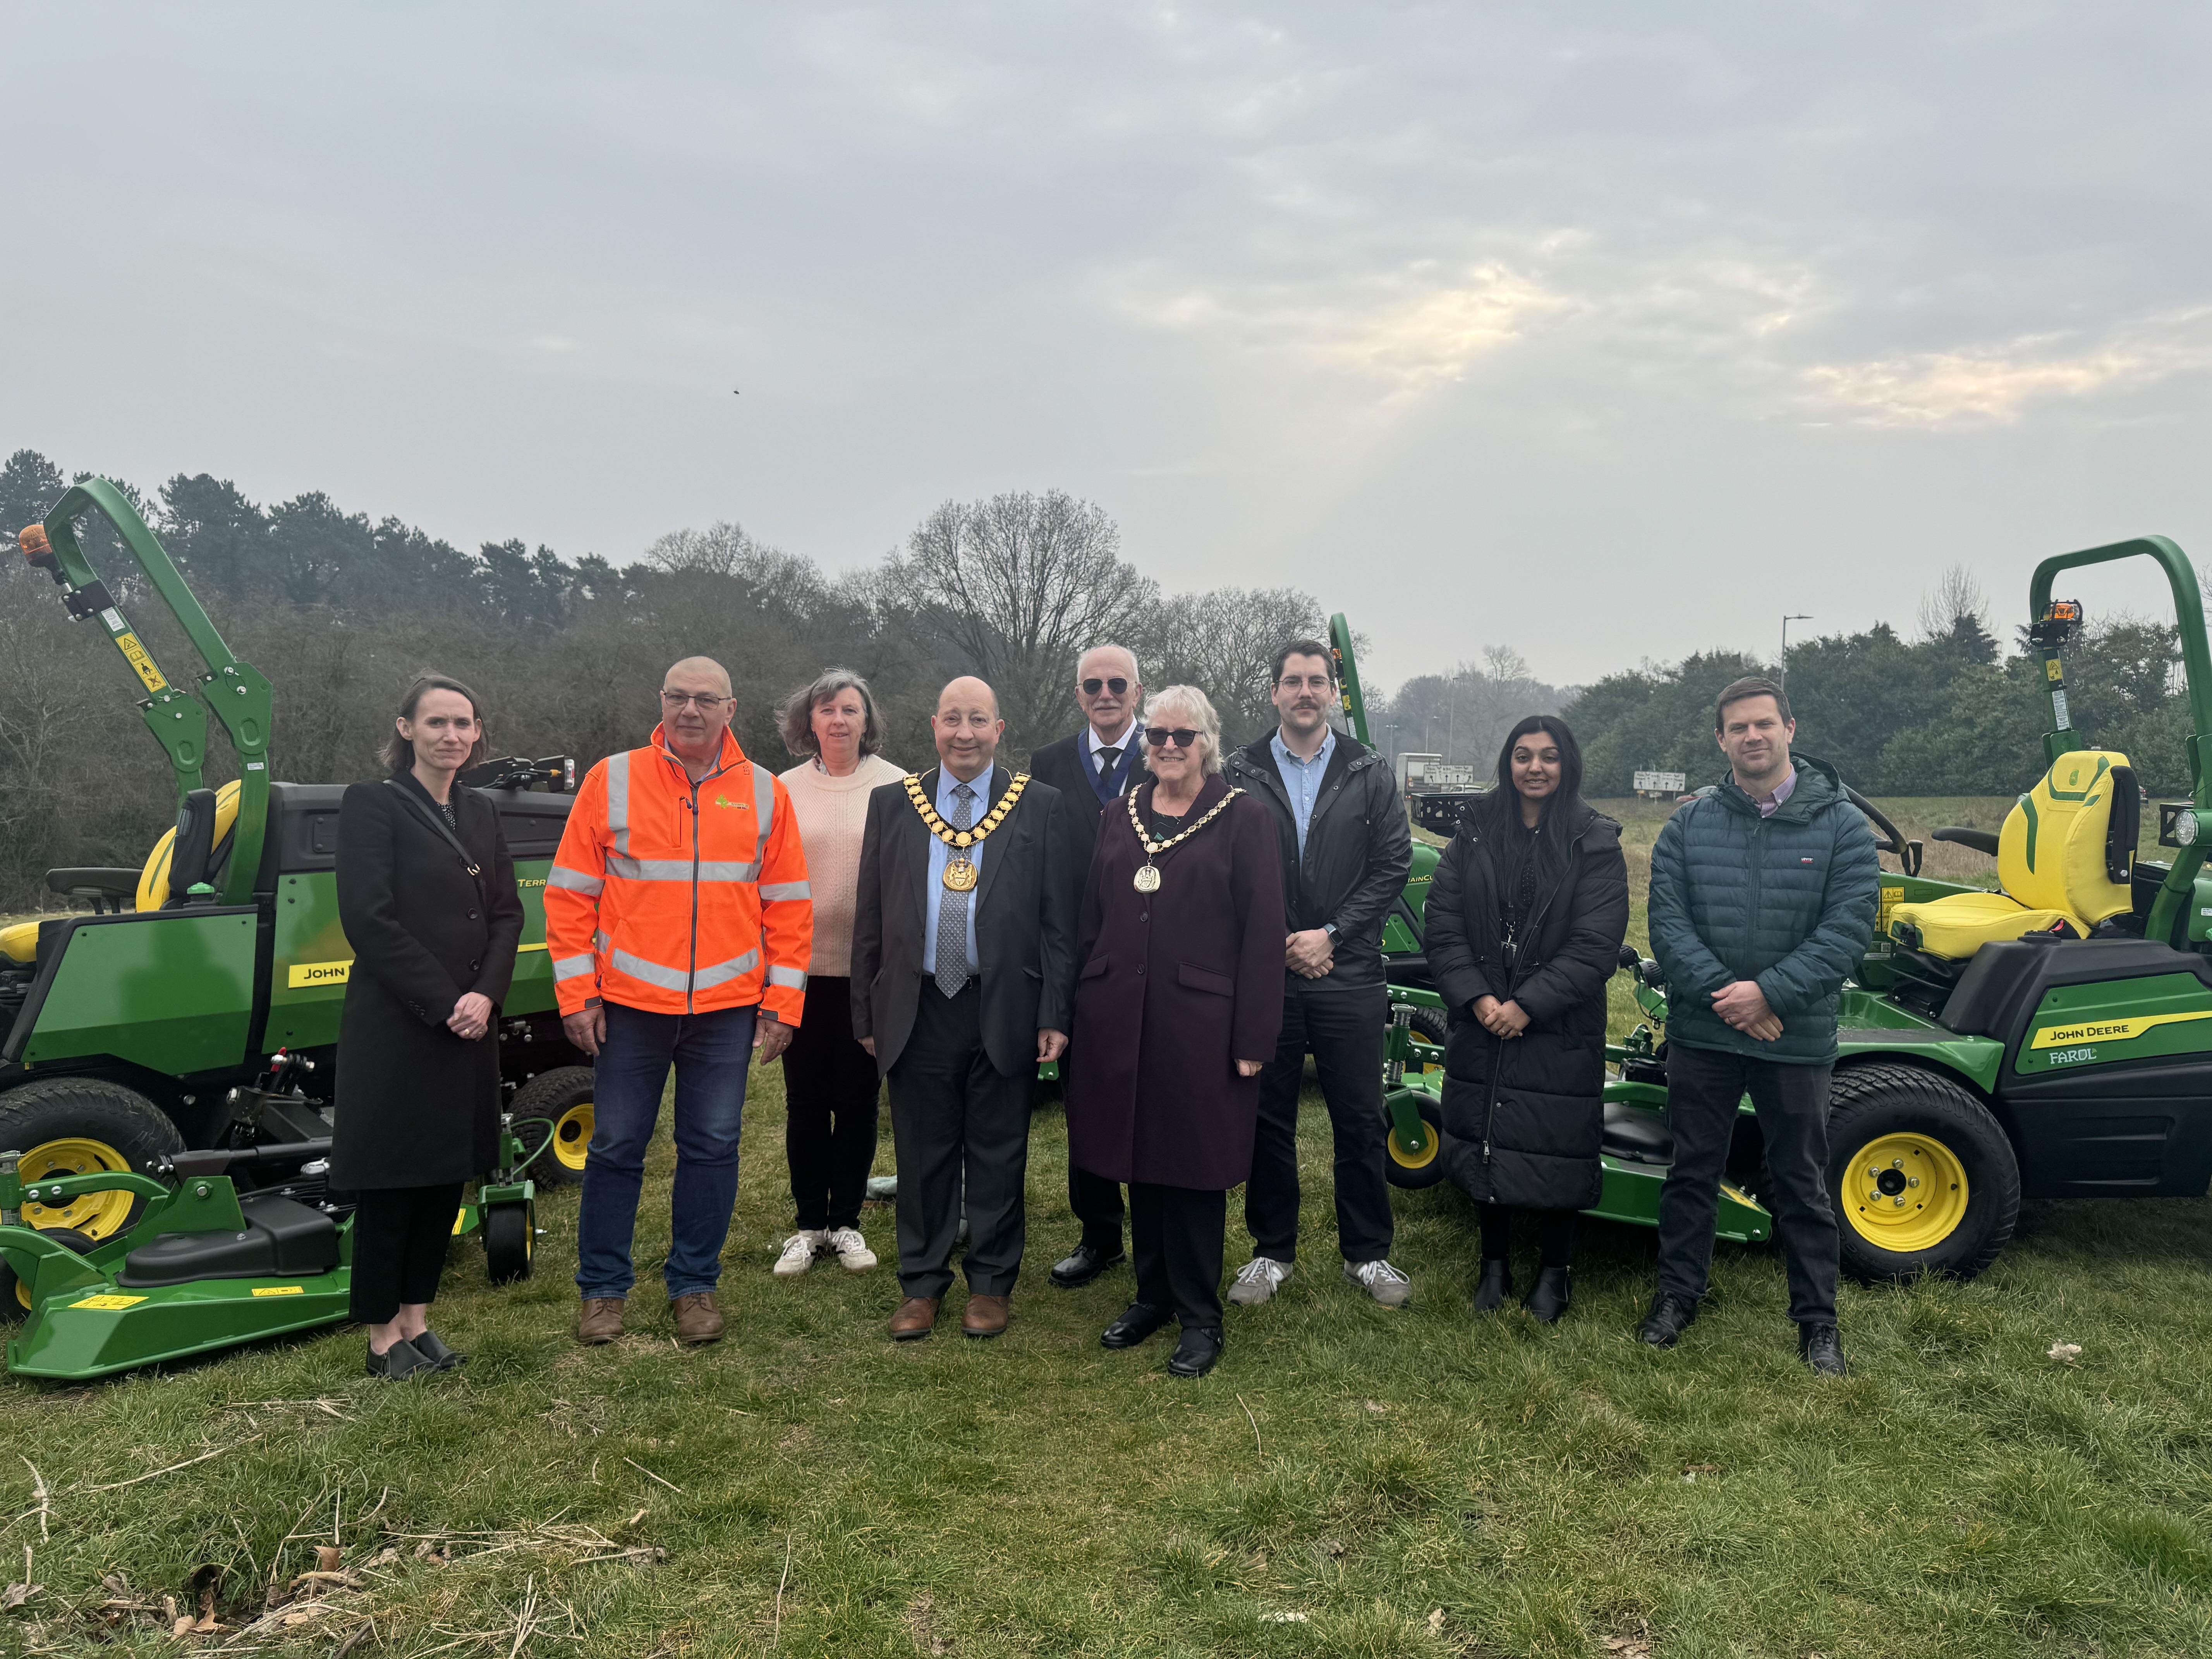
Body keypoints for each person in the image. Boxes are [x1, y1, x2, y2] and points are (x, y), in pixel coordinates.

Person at [546, 656, 813, 1347]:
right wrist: (578, 995)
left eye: (705, 700)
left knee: (713, 1147)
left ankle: (695, 1286)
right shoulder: (614, 778)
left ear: (731, 710)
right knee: (615, 1147)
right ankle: (603, 1291)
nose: (690, 710)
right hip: (630, 1007)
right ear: (661, 703)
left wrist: (783, 1005)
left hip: (725, 1010)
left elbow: (788, 906)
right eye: (678, 697)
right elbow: (570, 895)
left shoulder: (763, 792)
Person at [1640, 675, 1880, 1376]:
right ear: (1722, 739)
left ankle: (1818, 1325)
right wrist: (1731, 997)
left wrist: (1770, 996)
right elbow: (1668, 922)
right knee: (1692, 1172)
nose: (1753, 736)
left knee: (1801, 1182)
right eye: (1738, 728)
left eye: (1764, 725)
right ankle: (1677, 1297)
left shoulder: (1842, 828)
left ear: (1790, 730)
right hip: (1705, 1033)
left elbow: (1846, 933)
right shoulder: (1689, 824)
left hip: (1795, 1037)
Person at [1066, 686, 1283, 1377]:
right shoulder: (1117, 814)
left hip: (1202, 1026)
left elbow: (1261, 934)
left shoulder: (1243, 819)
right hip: (1119, 1019)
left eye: (1182, 737)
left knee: (1191, 1169)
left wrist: (1254, 1039)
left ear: (1207, 743)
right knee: (1138, 1159)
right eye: (1157, 734)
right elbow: (1091, 916)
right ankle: (1151, 1296)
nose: (1167, 746)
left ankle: (1200, 1315)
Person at [850, 676, 1073, 1341]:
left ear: (1000, 730)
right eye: (953, 719)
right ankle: (921, 1284)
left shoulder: (1039, 806)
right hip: (918, 1005)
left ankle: (991, 1283)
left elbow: (1059, 922)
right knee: (922, 1153)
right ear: (933, 726)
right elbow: (870, 918)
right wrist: (866, 1015)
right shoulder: (894, 804)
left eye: (979, 720)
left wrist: (1055, 1012)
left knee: (999, 1150)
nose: (965, 733)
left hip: (1003, 1003)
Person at [331, 675, 524, 1379]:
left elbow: (507, 913)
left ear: (478, 735)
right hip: (401, 1025)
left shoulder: (478, 811)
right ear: (406, 728)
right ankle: (384, 1337)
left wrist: (486, 996)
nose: (453, 736)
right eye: (437, 722)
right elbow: (369, 921)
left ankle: (418, 1321)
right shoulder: (373, 805)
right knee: (394, 1181)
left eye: (464, 724)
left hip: (471, 1027)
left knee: (444, 1178)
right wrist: (448, 1001)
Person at [1223, 639, 1414, 1308]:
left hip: (1351, 970)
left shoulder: (1369, 770)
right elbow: (1228, 869)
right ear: (1273, 692)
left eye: (1317, 682)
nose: (1305, 692)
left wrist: (1329, 935)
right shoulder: (1239, 770)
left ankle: (1368, 1255)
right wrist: (1279, 941)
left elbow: (1392, 865)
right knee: (1266, 1119)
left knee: (1359, 1119)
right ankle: (1271, 1252)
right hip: (1267, 974)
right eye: (1292, 682)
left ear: (1334, 693)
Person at [1423, 716, 1628, 1323]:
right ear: (1507, 764)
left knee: (1558, 1140)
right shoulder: (1476, 831)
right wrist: (1479, 999)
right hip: (1483, 1016)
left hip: (1558, 1023)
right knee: (1488, 1132)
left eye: (1549, 756)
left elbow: (1596, 943)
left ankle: (1556, 1270)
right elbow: (1443, 924)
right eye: (1522, 755)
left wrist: (1529, 1005)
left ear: (1568, 765)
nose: (1535, 767)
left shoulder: (1595, 839)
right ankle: (1493, 1265)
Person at [772, 669, 905, 1279]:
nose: (840, 720)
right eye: (827, 709)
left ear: (867, 720)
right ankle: (808, 1226)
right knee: (805, 1103)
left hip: (868, 973)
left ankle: (847, 1222)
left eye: (851, 709)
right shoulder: (782, 789)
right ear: (810, 721)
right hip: (800, 970)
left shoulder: (900, 786)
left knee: (857, 1102)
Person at [1026, 642, 1146, 1290]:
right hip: (1073, 955)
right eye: (1093, 685)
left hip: (1149, 952)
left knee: (1154, 1094)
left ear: (1137, 691)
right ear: (1078, 694)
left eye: (1117, 684)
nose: (1106, 695)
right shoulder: (1046, 765)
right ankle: (1099, 1234)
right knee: (1086, 1100)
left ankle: (1156, 1229)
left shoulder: (1169, 754)